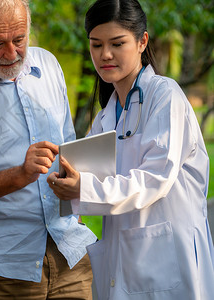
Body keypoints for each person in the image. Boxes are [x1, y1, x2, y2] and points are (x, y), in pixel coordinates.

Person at [48, 0, 214, 299]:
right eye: (96, 45)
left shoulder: (165, 96)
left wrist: (81, 189)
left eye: (117, 43)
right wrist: (65, 187)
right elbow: (85, 185)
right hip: (123, 259)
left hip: (167, 255)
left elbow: (154, 180)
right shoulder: (107, 116)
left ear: (142, 41)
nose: (105, 55)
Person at [0, 0, 97, 299]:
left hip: (69, 252)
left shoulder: (48, 65)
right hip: (3, 267)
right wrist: (22, 173)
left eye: (19, 39)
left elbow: (68, 144)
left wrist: (76, 204)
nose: (12, 53)